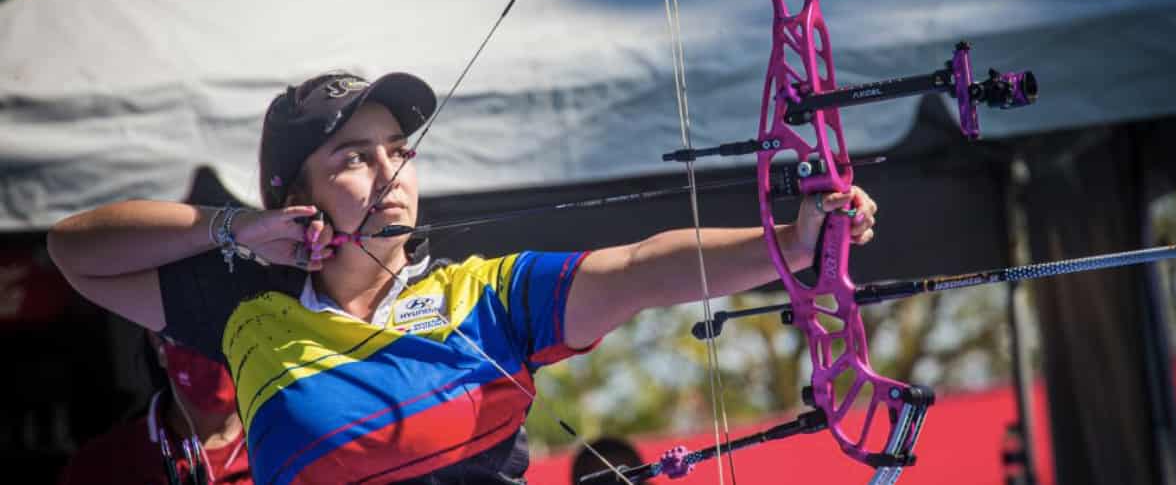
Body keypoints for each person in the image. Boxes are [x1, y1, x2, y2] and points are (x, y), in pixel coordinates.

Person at [48, 71, 877, 484]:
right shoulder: (248, 311)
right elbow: (74, 251)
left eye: (399, 150)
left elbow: (637, 270)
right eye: (354, 156)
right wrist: (235, 228)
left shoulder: (483, 295)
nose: (390, 170)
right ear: (295, 195)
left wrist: (792, 243)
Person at [57, 332, 251, 485]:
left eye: (236, 328)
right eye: (196, 327)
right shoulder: (100, 468)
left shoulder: (271, 456)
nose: (217, 346)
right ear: (156, 339)